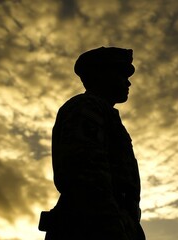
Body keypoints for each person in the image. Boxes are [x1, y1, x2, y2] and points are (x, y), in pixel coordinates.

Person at [39, 47, 145, 240]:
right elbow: (86, 173)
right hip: (92, 225)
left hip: (110, 222)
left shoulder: (104, 113)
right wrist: (112, 228)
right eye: (121, 74)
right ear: (101, 75)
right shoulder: (86, 107)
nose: (128, 81)